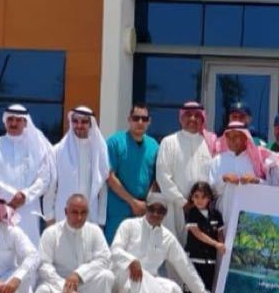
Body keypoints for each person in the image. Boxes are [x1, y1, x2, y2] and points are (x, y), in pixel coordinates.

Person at [110, 193, 214, 293]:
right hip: (119, 281)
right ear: (146, 208)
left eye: (160, 211)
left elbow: (185, 267)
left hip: (146, 281)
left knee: (172, 289)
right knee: (128, 271)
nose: (155, 214)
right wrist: (131, 261)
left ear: (165, 213)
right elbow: (115, 250)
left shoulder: (167, 237)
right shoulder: (129, 225)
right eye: (152, 209)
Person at [34, 193, 114, 293]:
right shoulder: (51, 233)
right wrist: (65, 288)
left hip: (84, 284)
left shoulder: (94, 231)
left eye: (83, 213)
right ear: (66, 212)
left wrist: (79, 275)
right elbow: (44, 266)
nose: (79, 217)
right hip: (59, 287)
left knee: (107, 276)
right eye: (75, 212)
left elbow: (104, 259)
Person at [0, 104, 55, 248]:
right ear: (4, 121)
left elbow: (44, 179)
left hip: (28, 210)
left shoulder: (38, 148)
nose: (14, 123)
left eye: (18, 120)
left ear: (25, 122)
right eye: (10, 119)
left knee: (29, 251)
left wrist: (25, 196)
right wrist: (12, 195)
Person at [155, 102, 217, 241]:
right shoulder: (169, 142)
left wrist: (201, 202)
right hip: (175, 208)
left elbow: (212, 177)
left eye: (197, 115)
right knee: (174, 249)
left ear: (202, 119)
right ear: (181, 118)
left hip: (201, 210)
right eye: (188, 115)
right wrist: (183, 203)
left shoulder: (207, 144)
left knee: (199, 249)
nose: (192, 119)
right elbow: (162, 176)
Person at [47, 106, 109, 229]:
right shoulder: (58, 151)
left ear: (91, 124)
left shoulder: (98, 151)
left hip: (90, 217)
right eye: (75, 121)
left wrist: (101, 221)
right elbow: (51, 187)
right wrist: (49, 217)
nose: (79, 125)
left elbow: (102, 189)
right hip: (63, 216)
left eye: (84, 121)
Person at [105, 103, 158, 244]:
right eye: (136, 118)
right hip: (118, 210)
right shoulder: (114, 142)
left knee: (139, 252)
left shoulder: (154, 146)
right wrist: (133, 202)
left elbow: (156, 179)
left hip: (143, 212)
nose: (140, 122)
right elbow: (109, 176)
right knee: (115, 250)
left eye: (144, 119)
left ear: (149, 121)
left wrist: (145, 203)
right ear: (129, 119)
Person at [209, 121, 269, 223]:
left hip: (248, 216)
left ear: (245, 137)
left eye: (236, 136)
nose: (232, 140)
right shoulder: (217, 160)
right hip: (223, 215)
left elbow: (269, 188)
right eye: (229, 137)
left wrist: (255, 180)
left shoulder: (256, 160)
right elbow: (211, 191)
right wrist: (224, 179)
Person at [183, 182, 224, 293]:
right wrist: (216, 244)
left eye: (203, 197)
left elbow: (220, 234)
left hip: (210, 260)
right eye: (196, 196)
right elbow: (197, 233)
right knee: (189, 287)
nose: (200, 200)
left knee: (207, 287)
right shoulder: (191, 213)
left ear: (210, 198)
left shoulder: (216, 215)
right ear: (192, 197)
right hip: (193, 258)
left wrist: (222, 245)